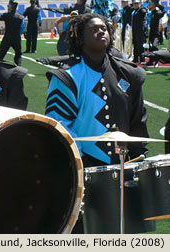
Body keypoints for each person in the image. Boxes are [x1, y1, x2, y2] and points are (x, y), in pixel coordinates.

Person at [45, 13, 149, 234]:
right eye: (93, 29)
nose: (101, 31)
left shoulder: (128, 74)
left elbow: (137, 121)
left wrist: (140, 161)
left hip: (122, 167)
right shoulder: (68, 77)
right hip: (84, 169)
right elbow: (61, 127)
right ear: (80, 39)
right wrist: (82, 166)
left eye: (104, 28)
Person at [0, 1, 24, 66]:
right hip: (17, 38)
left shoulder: (6, 15)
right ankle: (18, 66)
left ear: (11, 7)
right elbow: (22, 27)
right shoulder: (20, 17)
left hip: (7, 37)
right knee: (18, 54)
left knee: (0, 53)